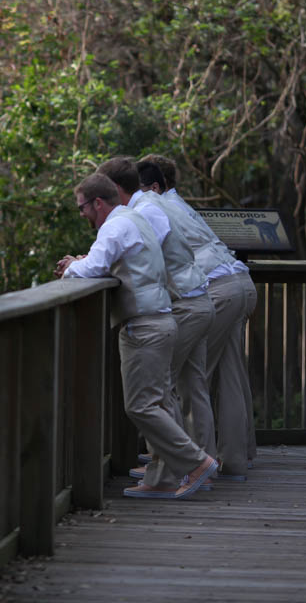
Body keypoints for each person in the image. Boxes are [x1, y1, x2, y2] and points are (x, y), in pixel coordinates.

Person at [55, 173, 217, 499]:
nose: (82, 213)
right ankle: (163, 478)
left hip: (144, 326)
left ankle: (196, 462)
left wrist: (71, 267)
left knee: (141, 406)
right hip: (161, 320)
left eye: (82, 207)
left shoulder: (114, 227)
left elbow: (93, 268)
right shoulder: (135, 219)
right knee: (157, 401)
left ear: (97, 203)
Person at [95, 157, 217, 477]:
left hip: (181, 304)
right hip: (193, 298)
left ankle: (180, 468)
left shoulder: (144, 210)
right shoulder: (147, 206)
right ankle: (186, 466)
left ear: (117, 190)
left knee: (157, 394)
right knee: (182, 388)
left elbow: (145, 255)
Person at [139, 155, 258, 478]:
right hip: (240, 281)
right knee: (229, 376)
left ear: (152, 185)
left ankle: (189, 463)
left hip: (215, 288)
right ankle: (235, 459)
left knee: (189, 381)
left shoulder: (153, 207)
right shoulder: (180, 204)